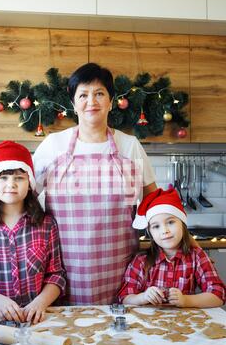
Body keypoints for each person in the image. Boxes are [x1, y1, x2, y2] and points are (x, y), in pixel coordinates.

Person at [33, 62, 157, 305]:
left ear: (111, 101)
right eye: (83, 95)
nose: (92, 101)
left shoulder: (129, 145)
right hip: (63, 271)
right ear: (73, 103)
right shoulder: (52, 145)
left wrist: (184, 246)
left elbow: (155, 202)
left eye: (100, 93)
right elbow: (25, 200)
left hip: (121, 271)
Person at [0, 141, 66, 324]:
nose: (11, 184)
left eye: (19, 178)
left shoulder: (47, 225)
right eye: (3, 178)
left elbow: (56, 275)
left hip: (39, 318)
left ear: (29, 183)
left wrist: (40, 302)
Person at [118, 188, 226, 308]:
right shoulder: (141, 261)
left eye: (170, 222)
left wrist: (186, 300)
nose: (165, 231)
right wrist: (143, 297)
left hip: (186, 324)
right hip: (148, 324)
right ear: (150, 233)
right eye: (156, 226)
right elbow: (124, 298)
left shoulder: (196, 257)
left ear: (182, 224)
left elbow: (219, 295)